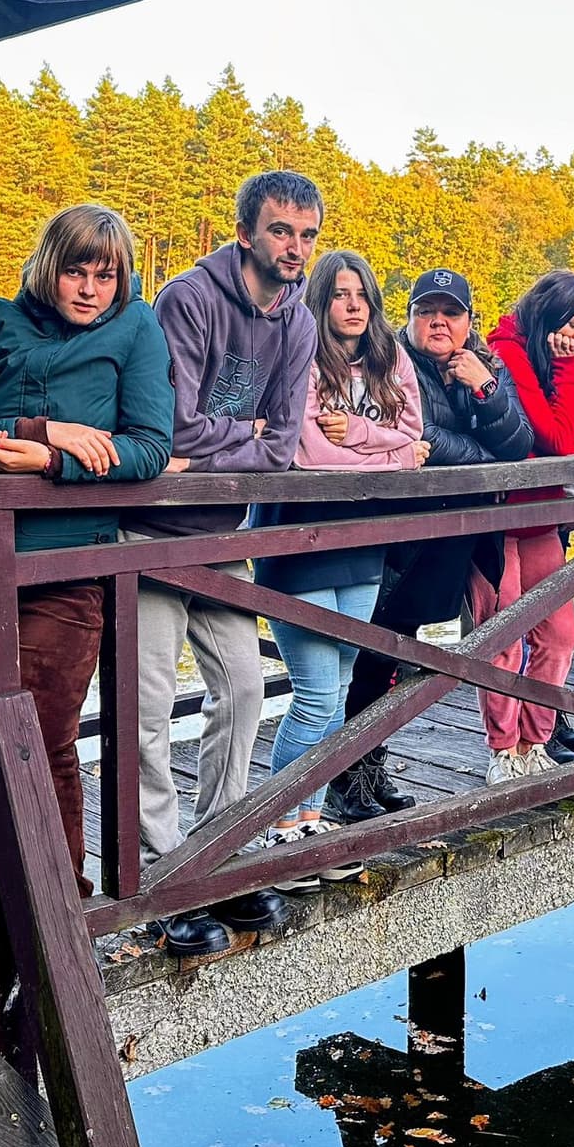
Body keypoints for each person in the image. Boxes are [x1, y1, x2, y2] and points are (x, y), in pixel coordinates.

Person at [0, 204, 175, 986]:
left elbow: (150, 449)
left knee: (39, 743)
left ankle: (58, 912)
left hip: (62, 573)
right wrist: (48, 430)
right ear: (48, 263)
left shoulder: (135, 329)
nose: (90, 288)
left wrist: (52, 466)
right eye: (76, 270)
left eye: (106, 274)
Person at [128, 170, 322, 956]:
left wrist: (228, 441)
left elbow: (285, 442)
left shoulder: (299, 317)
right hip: (146, 533)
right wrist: (240, 437)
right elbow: (167, 427)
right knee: (143, 713)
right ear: (246, 232)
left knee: (245, 687)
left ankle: (221, 855)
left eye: (307, 235)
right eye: (282, 232)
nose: (296, 249)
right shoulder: (189, 298)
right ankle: (164, 876)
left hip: (221, 535)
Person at [327, 269, 534, 821]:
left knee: (398, 650)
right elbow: (422, 439)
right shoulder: (391, 362)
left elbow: (522, 440)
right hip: (401, 535)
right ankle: (347, 778)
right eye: (426, 311)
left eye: (450, 312)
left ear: (470, 321)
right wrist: (492, 466)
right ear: (410, 317)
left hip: (457, 540)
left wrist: (485, 391)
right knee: (373, 653)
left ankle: (371, 765)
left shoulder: (487, 366)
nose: (438, 322)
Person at [249, 252, 427, 887]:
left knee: (345, 682)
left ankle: (309, 814)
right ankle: (275, 825)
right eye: (340, 295)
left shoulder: (390, 360)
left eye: (364, 296)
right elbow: (309, 453)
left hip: (361, 542)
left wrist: (360, 432)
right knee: (316, 692)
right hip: (297, 540)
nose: (353, 306)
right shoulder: (296, 355)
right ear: (319, 303)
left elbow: (417, 434)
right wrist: (390, 454)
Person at [475, 272, 574, 783]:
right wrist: (565, 368)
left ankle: (535, 740)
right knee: (505, 629)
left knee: (559, 632)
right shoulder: (507, 351)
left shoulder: (569, 360)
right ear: (550, 315)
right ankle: (503, 749)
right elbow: (556, 438)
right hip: (499, 515)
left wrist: (569, 369)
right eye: (573, 324)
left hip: (542, 514)